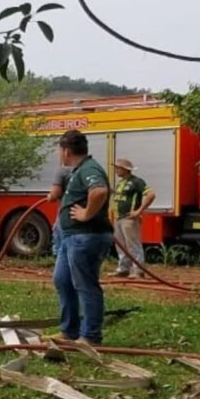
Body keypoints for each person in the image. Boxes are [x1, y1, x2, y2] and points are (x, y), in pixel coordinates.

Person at [51, 130, 113, 344]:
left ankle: (91, 336)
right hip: (71, 237)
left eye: (61, 150)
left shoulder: (90, 169)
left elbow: (99, 191)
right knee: (62, 280)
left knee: (85, 285)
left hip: (86, 236)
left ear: (66, 151)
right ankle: (69, 331)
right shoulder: (77, 170)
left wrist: (86, 214)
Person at [110, 158, 156, 278]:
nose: (116, 170)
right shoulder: (120, 183)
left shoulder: (137, 182)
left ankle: (138, 270)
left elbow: (151, 194)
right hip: (118, 218)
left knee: (133, 244)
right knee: (121, 245)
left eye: (118, 168)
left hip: (129, 218)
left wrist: (138, 211)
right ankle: (123, 268)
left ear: (126, 170)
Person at [48, 166, 72, 257]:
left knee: (59, 234)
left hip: (65, 210)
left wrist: (50, 197)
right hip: (79, 211)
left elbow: (54, 195)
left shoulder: (63, 171)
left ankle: (59, 261)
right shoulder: (87, 170)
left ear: (67, 153)